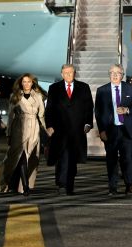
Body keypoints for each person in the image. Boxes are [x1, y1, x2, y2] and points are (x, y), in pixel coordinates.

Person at [0, 73, 48, 196]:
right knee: (20, 157)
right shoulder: (15, 96)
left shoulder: (38, 96)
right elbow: (10, 117)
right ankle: (25, 187)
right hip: (19, 129)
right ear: (21, 83)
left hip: (33, 129)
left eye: (29, 82)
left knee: (31, 158)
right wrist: (9, 133)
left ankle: (11, 183)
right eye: (24, 82)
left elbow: (41, 115)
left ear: (33, 83)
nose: (26, 84)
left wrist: (46, 130)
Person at [45, 64, 94, 195]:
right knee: (62, 157)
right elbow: (49, 109)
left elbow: (89, 108)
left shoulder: (84, 87)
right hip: (59, 131)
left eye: (70, 72)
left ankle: (69, 185)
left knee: (72, 159)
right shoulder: (54, 88)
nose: (68, 75)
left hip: (77, 131)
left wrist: (88, 124)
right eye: (65, 73)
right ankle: (61, 184)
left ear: (74, 73)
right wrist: (49, 125)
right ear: (61, 74)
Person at [95, 63, 132, 195]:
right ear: (109, 75)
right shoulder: (102, 90)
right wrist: (102, 130)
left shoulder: (130, 89)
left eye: (117, 73)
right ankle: (112, 187)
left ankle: (129, 184)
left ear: (122, 75)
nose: (115, 75)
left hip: (127, 130)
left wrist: (127, 110)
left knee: (128, 159)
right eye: (112, 73)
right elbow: (98, 112)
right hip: (110, 131)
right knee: (111, 160)